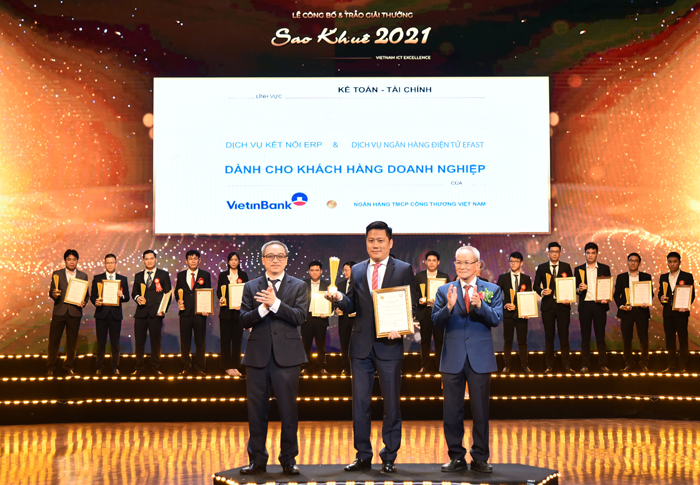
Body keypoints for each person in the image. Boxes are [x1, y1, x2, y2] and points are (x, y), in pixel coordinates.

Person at [326, 221, 417, 474]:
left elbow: (411, 306)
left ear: (390, 242)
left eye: (380, 240)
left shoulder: (403, 269)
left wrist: (402, 326)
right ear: (366, 242)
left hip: (390, 345)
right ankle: (363, 455)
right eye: (370, 240)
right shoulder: (356, 270)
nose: (375, 245)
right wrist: (339, 298)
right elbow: (352, 305)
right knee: (360, 404)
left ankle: (389, 455)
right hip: (360, 347)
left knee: (391, 405)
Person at [239, 241, 308, 476]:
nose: (275, 260)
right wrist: (262, 309)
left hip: (287, 358)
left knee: (288, 412)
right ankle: (257, 460)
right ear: (263, 260)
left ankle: (288, 459)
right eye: (270, 256)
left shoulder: (299, 286)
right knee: (256, 412)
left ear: (287, 259)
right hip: (257, 358)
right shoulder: (250, 286)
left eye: (280, 256)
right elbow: (243, 319)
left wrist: (275, 304)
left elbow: (299, 317)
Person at [432, 245, 503, 474]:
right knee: (452, 411)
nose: (462, 267)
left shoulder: (492, 289)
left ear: (477, 265)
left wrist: (481, 306)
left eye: (467, 262)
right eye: (458, 262)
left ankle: (480, 457)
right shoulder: (444, 290)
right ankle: (456, 457)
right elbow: (436, 321)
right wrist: (449, 307)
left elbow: (496, 319)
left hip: (479, 358)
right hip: (452, 358)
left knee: (480, 411)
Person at [47, 249, 90, 376]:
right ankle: (51, 366)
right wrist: (54, 294)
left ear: (77, 261)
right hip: (59, 311)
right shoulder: (57, 274)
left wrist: (83, 302)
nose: (72, 262)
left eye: (74, 259)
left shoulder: (83, 276)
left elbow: (86, 295)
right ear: (65, 260)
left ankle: (69, 366)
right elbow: (52, 291)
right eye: (69, 259)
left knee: (72, 342)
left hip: (75, 312)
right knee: (54, 340)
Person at [533, 242, 574, 373]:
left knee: (564, 336)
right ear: (548, 253)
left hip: (563, 306)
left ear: (560, 252)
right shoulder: (542, 267)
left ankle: (566, 365)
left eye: (557, 251)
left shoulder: (566, 266)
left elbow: (571, 284)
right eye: (552, 251)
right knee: (549, 337)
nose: (554, 254)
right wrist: (542, 291)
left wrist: (569, 298)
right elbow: (535, 285)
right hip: (548, 306)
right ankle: (549, 365)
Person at [132, 250, 172, 376]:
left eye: (151, 258)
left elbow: (168, 294)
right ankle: (139, 367)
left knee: (155, 342)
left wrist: (163, 310)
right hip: (141, 314)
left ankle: (155, 367)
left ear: (155, 259)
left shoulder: (163, 275)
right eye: (147, 259)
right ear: (143, 260)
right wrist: (138, 298)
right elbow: (134, 293)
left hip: (156, 314)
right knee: (139, 342)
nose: (149, 261)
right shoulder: (138, 276)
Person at [90, 253, 130, 375]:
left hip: (115, 315)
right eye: (108, 263)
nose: (110, 265)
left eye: (112, 262)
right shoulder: (98, 278)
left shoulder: (122, 279)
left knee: (115, 343)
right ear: (105, 264)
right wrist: (96, 302)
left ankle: (115, 367)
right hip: (101, 314)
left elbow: (127, 297)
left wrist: (122, 296)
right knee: (101, 342)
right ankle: (99, 366)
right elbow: (93, 296)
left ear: (116, 264)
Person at [575, 242, 612, 373]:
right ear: (585, 254)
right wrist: (579, 289)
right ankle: (585, 364)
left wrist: (606, 297)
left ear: (597, 254)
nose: (590, 255)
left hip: (599, 305)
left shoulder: (604, 268)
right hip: (585, 305)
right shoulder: (579, 269)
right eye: (588, 253)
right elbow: (575, 289)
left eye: (593, 253)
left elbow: (607, 286)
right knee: (585, 337)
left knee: (600, 336)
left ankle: (603, 364)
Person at [613, 253, 652, 372]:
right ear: (627, 262)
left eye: (635, 261)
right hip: (626, 312)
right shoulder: (621, 277)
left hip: (641, 311)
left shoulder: (646, 276)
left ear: (639, 263)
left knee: (643, 338)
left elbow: (650, 293)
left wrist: (646, 302)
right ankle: (628, 362)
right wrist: (621, 306)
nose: (633, 263)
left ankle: (644, 362)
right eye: (631, 260)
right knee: (626, 338)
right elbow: (616, 294)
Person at [175, 249, 212, 376]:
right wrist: (179, 300)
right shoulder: (181, 275)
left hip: (200, 313)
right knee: (185, 341)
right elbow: (177, 291)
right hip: (185, 313)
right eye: (190, 259)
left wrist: (207, 308)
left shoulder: (205, 275)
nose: (193, 261)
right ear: (186, 261)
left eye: (195, 259)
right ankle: (186, 365)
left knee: (200, 341)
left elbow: (208, 292)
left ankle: (200, 367)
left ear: (199, 260)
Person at [658, 252, 695, 372]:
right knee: (670, 340)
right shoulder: (663, 277)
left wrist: (685, 305)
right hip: (668, 313)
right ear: (667, 262)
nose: (672, 264)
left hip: (681, 313)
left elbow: (691, 294)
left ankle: (682, 365)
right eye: (670, 262)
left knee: (683, 339)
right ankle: (671, 365)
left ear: (679, 262)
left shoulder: (687, 276)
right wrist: (661, 298)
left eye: (675, 261)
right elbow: (660, 293)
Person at [496, 252, 532, 373]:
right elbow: (496, 295)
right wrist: (505, 304)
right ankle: (507, 365)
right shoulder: (503, 278)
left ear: (521, 263)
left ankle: (524, 365)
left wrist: (528, 311)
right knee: (508, 341)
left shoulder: (526, 279)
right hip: (508, 314)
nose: (513, 264)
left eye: (516, 261)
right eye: (511, 261)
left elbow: (529, 296)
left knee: (522, 341)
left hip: (522, 315)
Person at [414, 250, 449, 373]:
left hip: (439, 312)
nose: (431, 263)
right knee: (425, 340)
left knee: (439, 340)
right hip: (425, 311)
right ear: (425, 262)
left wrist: (441, 300)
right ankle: (424, 365)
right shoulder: (419, 276)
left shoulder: (444, 277)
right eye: (429, 260)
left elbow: (448, 294)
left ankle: (440, 366)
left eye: (434, 260)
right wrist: (419, 300)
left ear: (438, 262)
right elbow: (414, 293)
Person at [216, 251, 249, 376]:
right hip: (225, 313)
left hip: (239, 313)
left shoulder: (243, 275)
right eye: (231, 260)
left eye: (236, 259)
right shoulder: (223, 275)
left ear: (239, 261)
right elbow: (219, 291)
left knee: (237, 340)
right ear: (228, 262)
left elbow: (247, 291)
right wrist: (221, 298)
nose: (234, 262)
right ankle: (226, 366)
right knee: (225, 340)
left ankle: (235, 366)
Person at [301, 261, 330, 375]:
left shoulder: (327, 285)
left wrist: (328, 312)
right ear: (309, 272)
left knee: (321, 345)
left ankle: (321, 367)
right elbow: (299, 301)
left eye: (317, 270)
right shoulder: (303, 284)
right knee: (306, 344)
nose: (314, 272)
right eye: (312, 270)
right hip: (307, 318)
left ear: (321, 271)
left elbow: (332, 302)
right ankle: (305, 366)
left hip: (321, 317)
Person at [335, 261, 356, 376]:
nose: (344, 272)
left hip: (356, 319)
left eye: (347, 270)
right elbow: (336, 301)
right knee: (344, 343)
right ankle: (345, 367)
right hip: (343, 319)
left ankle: (356, 366)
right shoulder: (340, 284)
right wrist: (336, 309)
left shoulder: (360, 284)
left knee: (356, 343)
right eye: (344, 270)